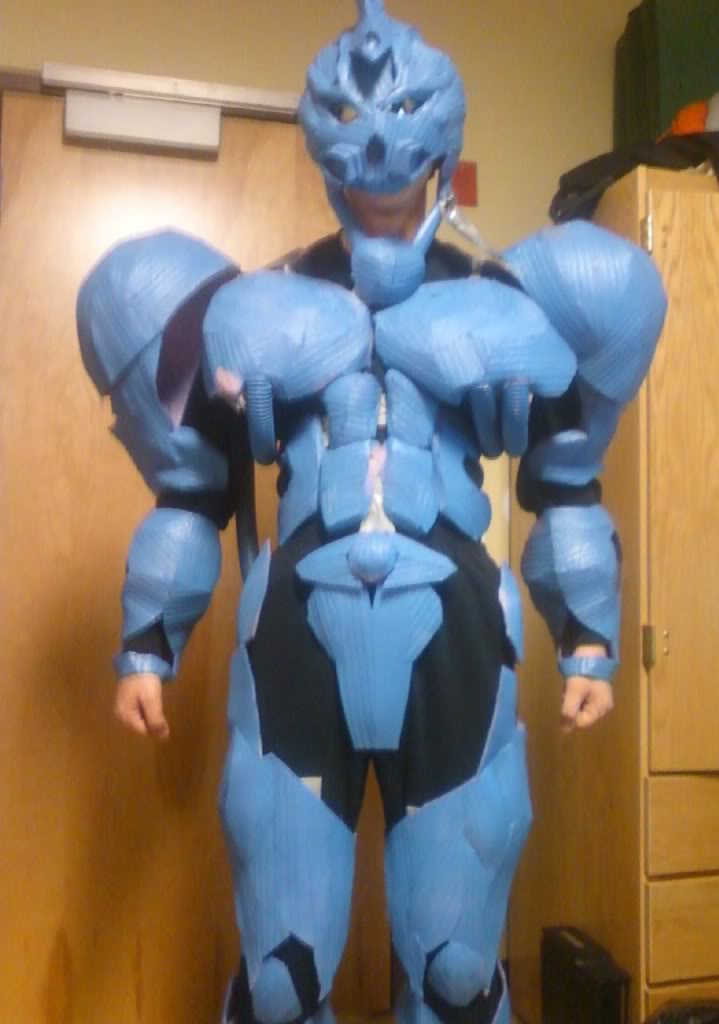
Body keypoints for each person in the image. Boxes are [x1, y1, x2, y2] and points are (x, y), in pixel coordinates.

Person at [77, 3, 666, 1022]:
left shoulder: (507, 300)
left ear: (440, 154)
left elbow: (568, 481)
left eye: (403, 141)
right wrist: (145, 647)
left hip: (456, 640)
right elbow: (191, 493)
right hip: (296, 643)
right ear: (325, 154)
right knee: (280, 985)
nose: (382, 169)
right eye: (358, 141)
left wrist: (589, 643)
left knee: (456, 979)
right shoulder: (257, 305)